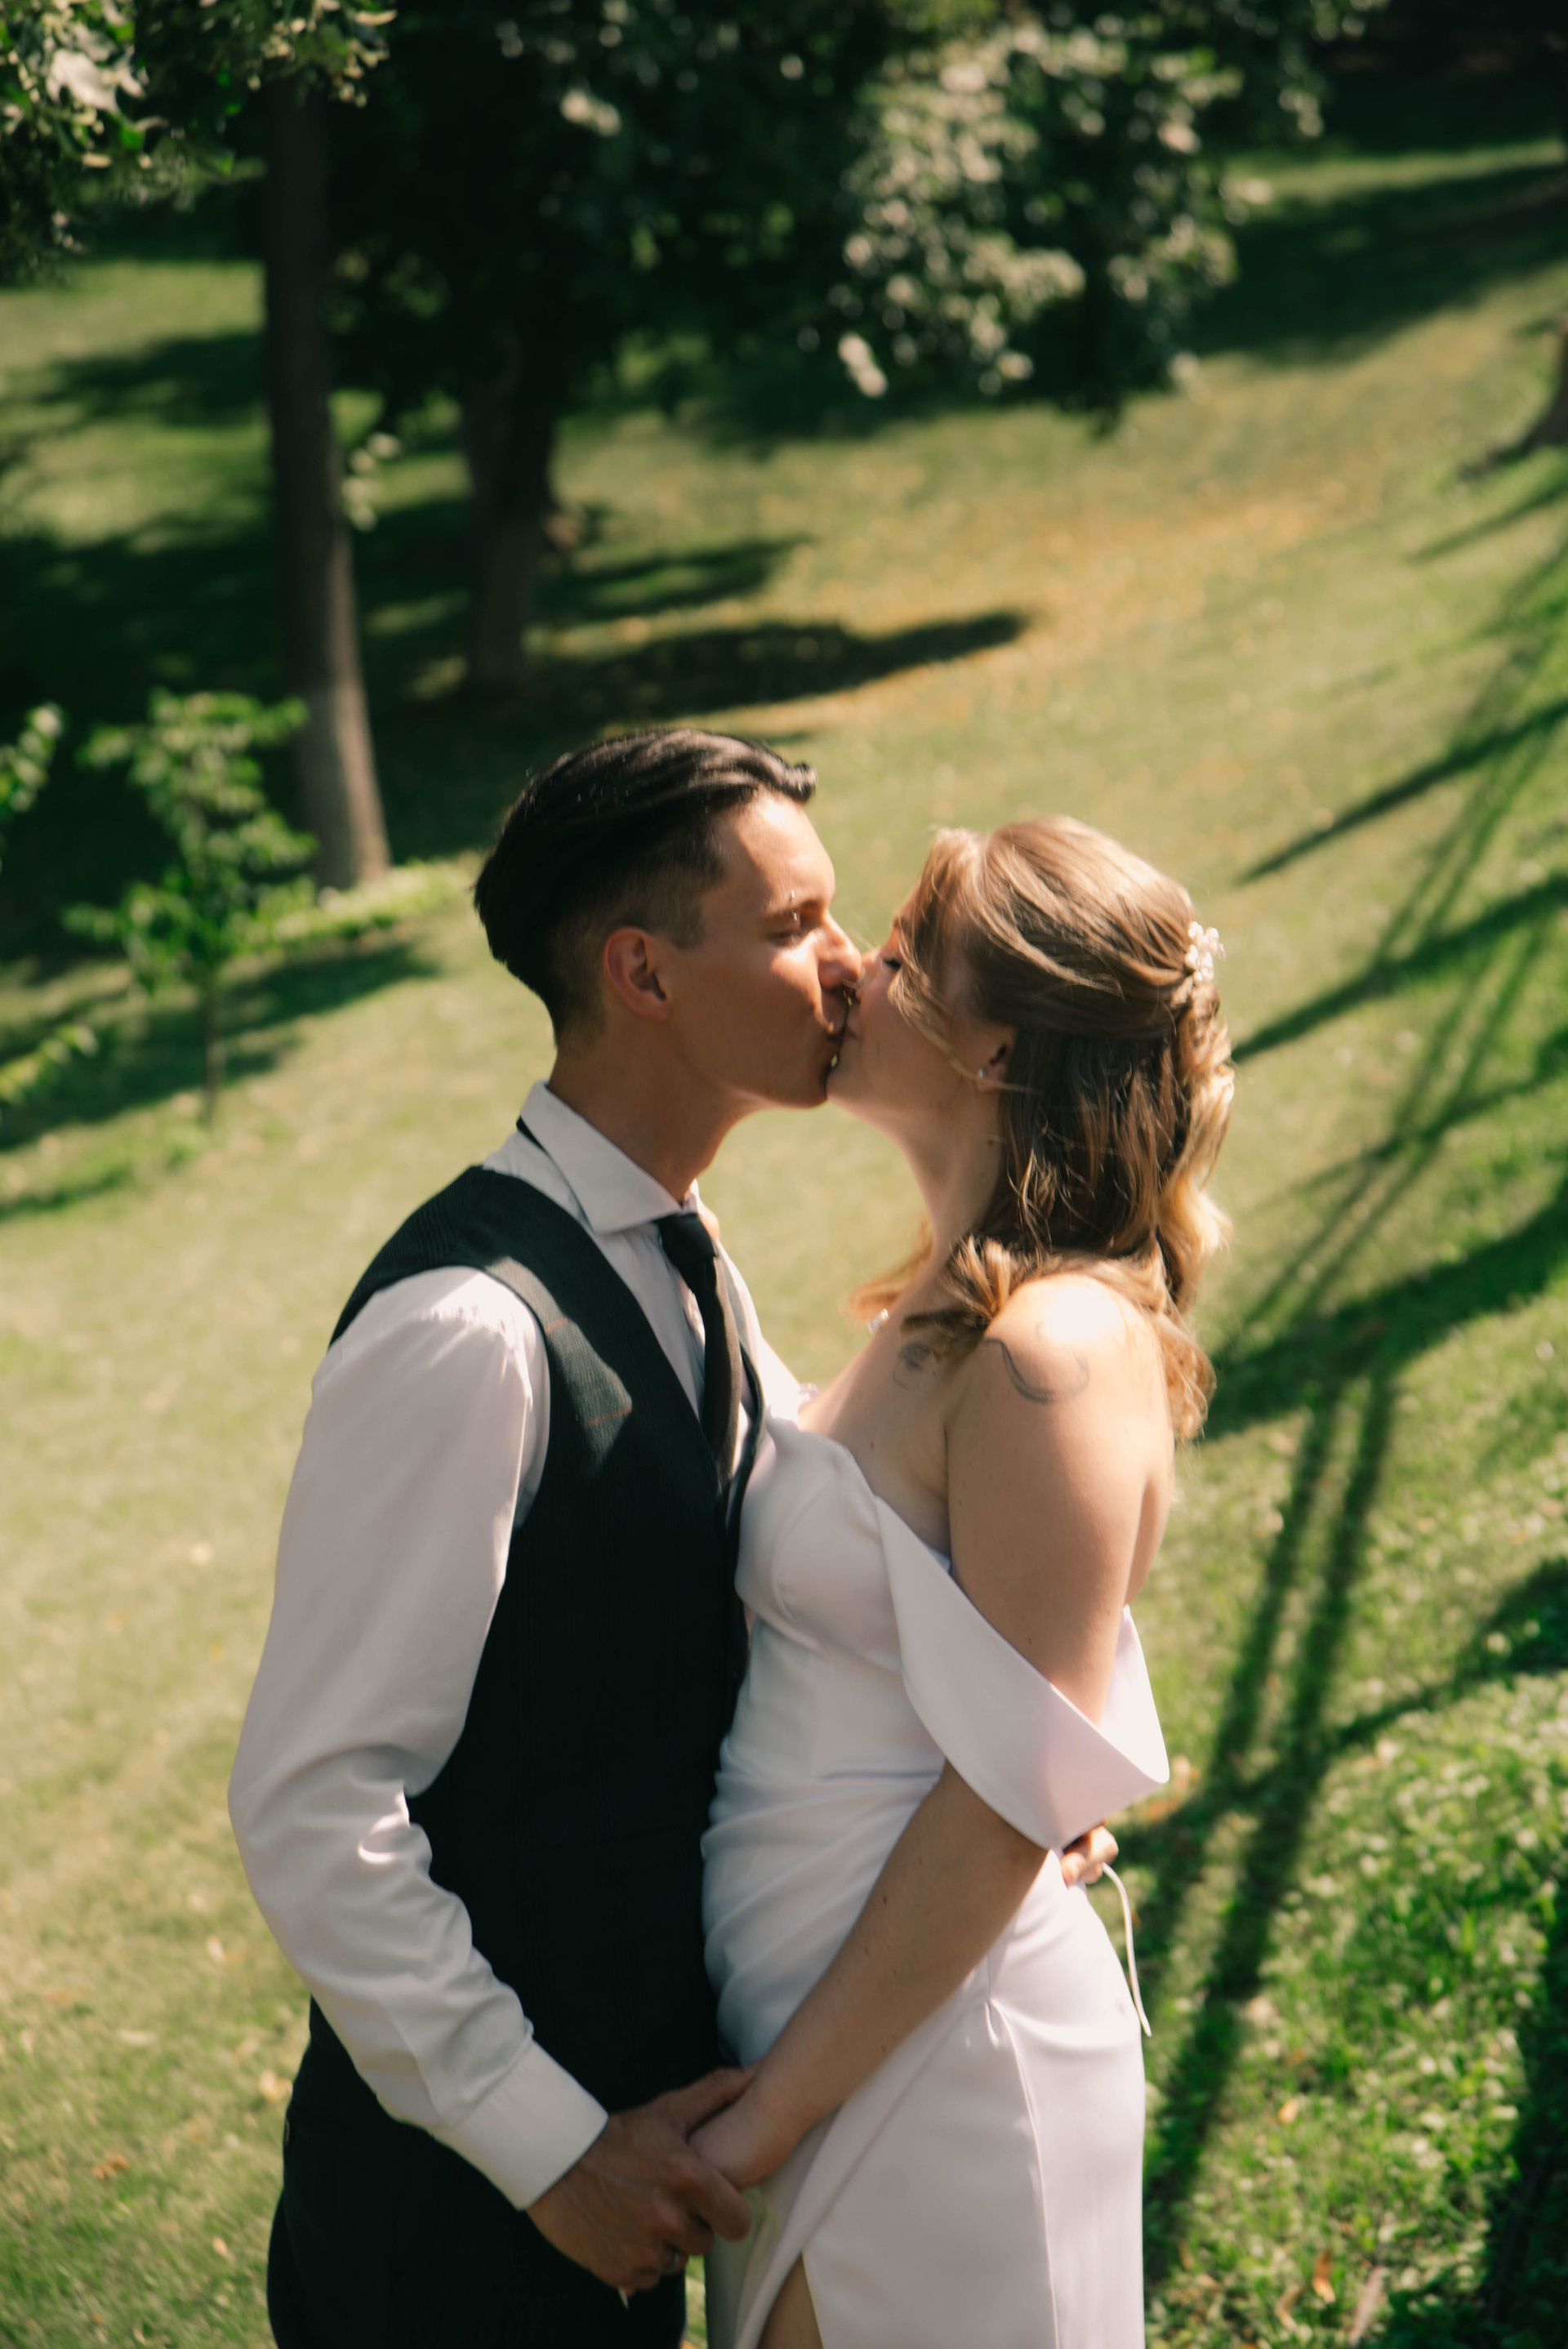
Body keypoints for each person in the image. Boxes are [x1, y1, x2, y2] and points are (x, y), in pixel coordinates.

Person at [229, 728, 868, 2348]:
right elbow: (315, 1804)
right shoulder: (467, 1330)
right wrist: (552, 2148)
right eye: (795, 925)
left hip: (638, 2188)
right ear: (643, 971)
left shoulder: (681, 1246)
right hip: (458, 2244)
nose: (851, 965)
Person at [693, 818, 1235, 2349]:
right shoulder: (927, 1314)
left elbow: (1010, 1796)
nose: (848, 971)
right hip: (819, 2025)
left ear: (994, 1044)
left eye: (899, 952)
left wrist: (761, 2124)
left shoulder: (1054, 1347)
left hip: (936, 2056)